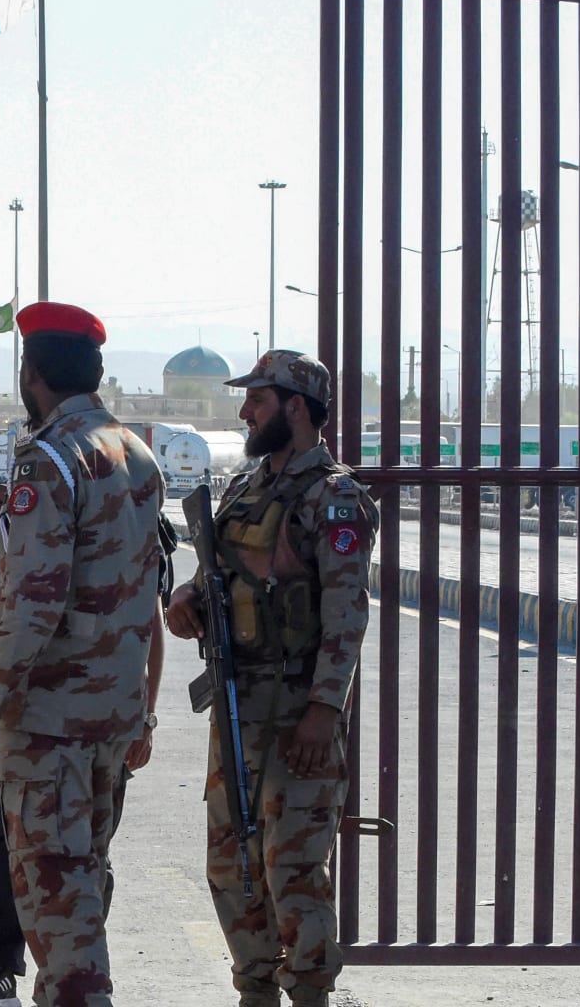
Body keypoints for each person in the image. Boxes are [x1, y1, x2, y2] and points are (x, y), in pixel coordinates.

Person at [0, 302, 164, 1007]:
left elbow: (34, 604)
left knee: (56, 900)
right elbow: (143, 595)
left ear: (31, 372)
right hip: (112, 716)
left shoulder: (50, 458)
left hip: (51, 725)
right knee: (84, 883)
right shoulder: (135, 453)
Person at [164, 350, 376, 1007]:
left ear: (295, 407)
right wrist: (188, 599)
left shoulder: (335, 498)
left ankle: (309, 992)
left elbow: (346, 614)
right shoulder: (244, 488)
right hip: (238, 706)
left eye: (257, 400)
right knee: (232, 863)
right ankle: (254, 989)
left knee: (294, 868)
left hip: (297, 713)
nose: (245, 412)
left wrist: (323, 710)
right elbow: (219, 575)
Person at [0, 481, 172, 1007]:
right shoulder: (18, 515)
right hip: (22, 714)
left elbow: (150, 620)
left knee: (90, 852)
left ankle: (72, 979)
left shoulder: (135, 512)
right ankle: (0, 968)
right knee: (2, 845)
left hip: (104, 717)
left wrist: (146, 718)